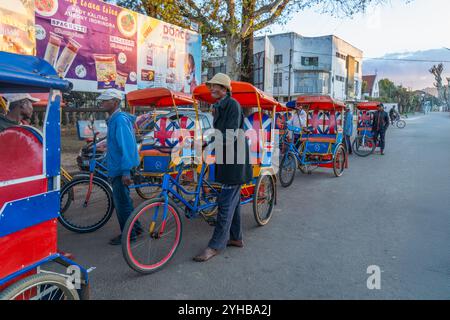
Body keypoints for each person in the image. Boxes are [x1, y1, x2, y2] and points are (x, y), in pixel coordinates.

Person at [193, 73, 252, 262]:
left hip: (235, 159)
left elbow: (230, 134)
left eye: (216, 86)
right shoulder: (218, 106)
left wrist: (210, 143)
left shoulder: (232, 104)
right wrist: (206, 142)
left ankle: (215, 246)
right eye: (211, 86)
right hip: (226, 157)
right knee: (231, 203)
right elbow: (219, 133)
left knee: (225, 204)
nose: (212, 89)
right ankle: (236, 238)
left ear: (225, 89)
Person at [97, 89, 141, 245]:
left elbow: (127, 147)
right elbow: (118, 144)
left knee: (121, 203)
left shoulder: (120, 120)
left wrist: (126, 172)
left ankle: (129, 235)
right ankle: (136, 228)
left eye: (105, 100)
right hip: (118, 166)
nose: (102, 102)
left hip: (121, 169)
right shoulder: (115, 119)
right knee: (125, 201)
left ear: (115, 102)